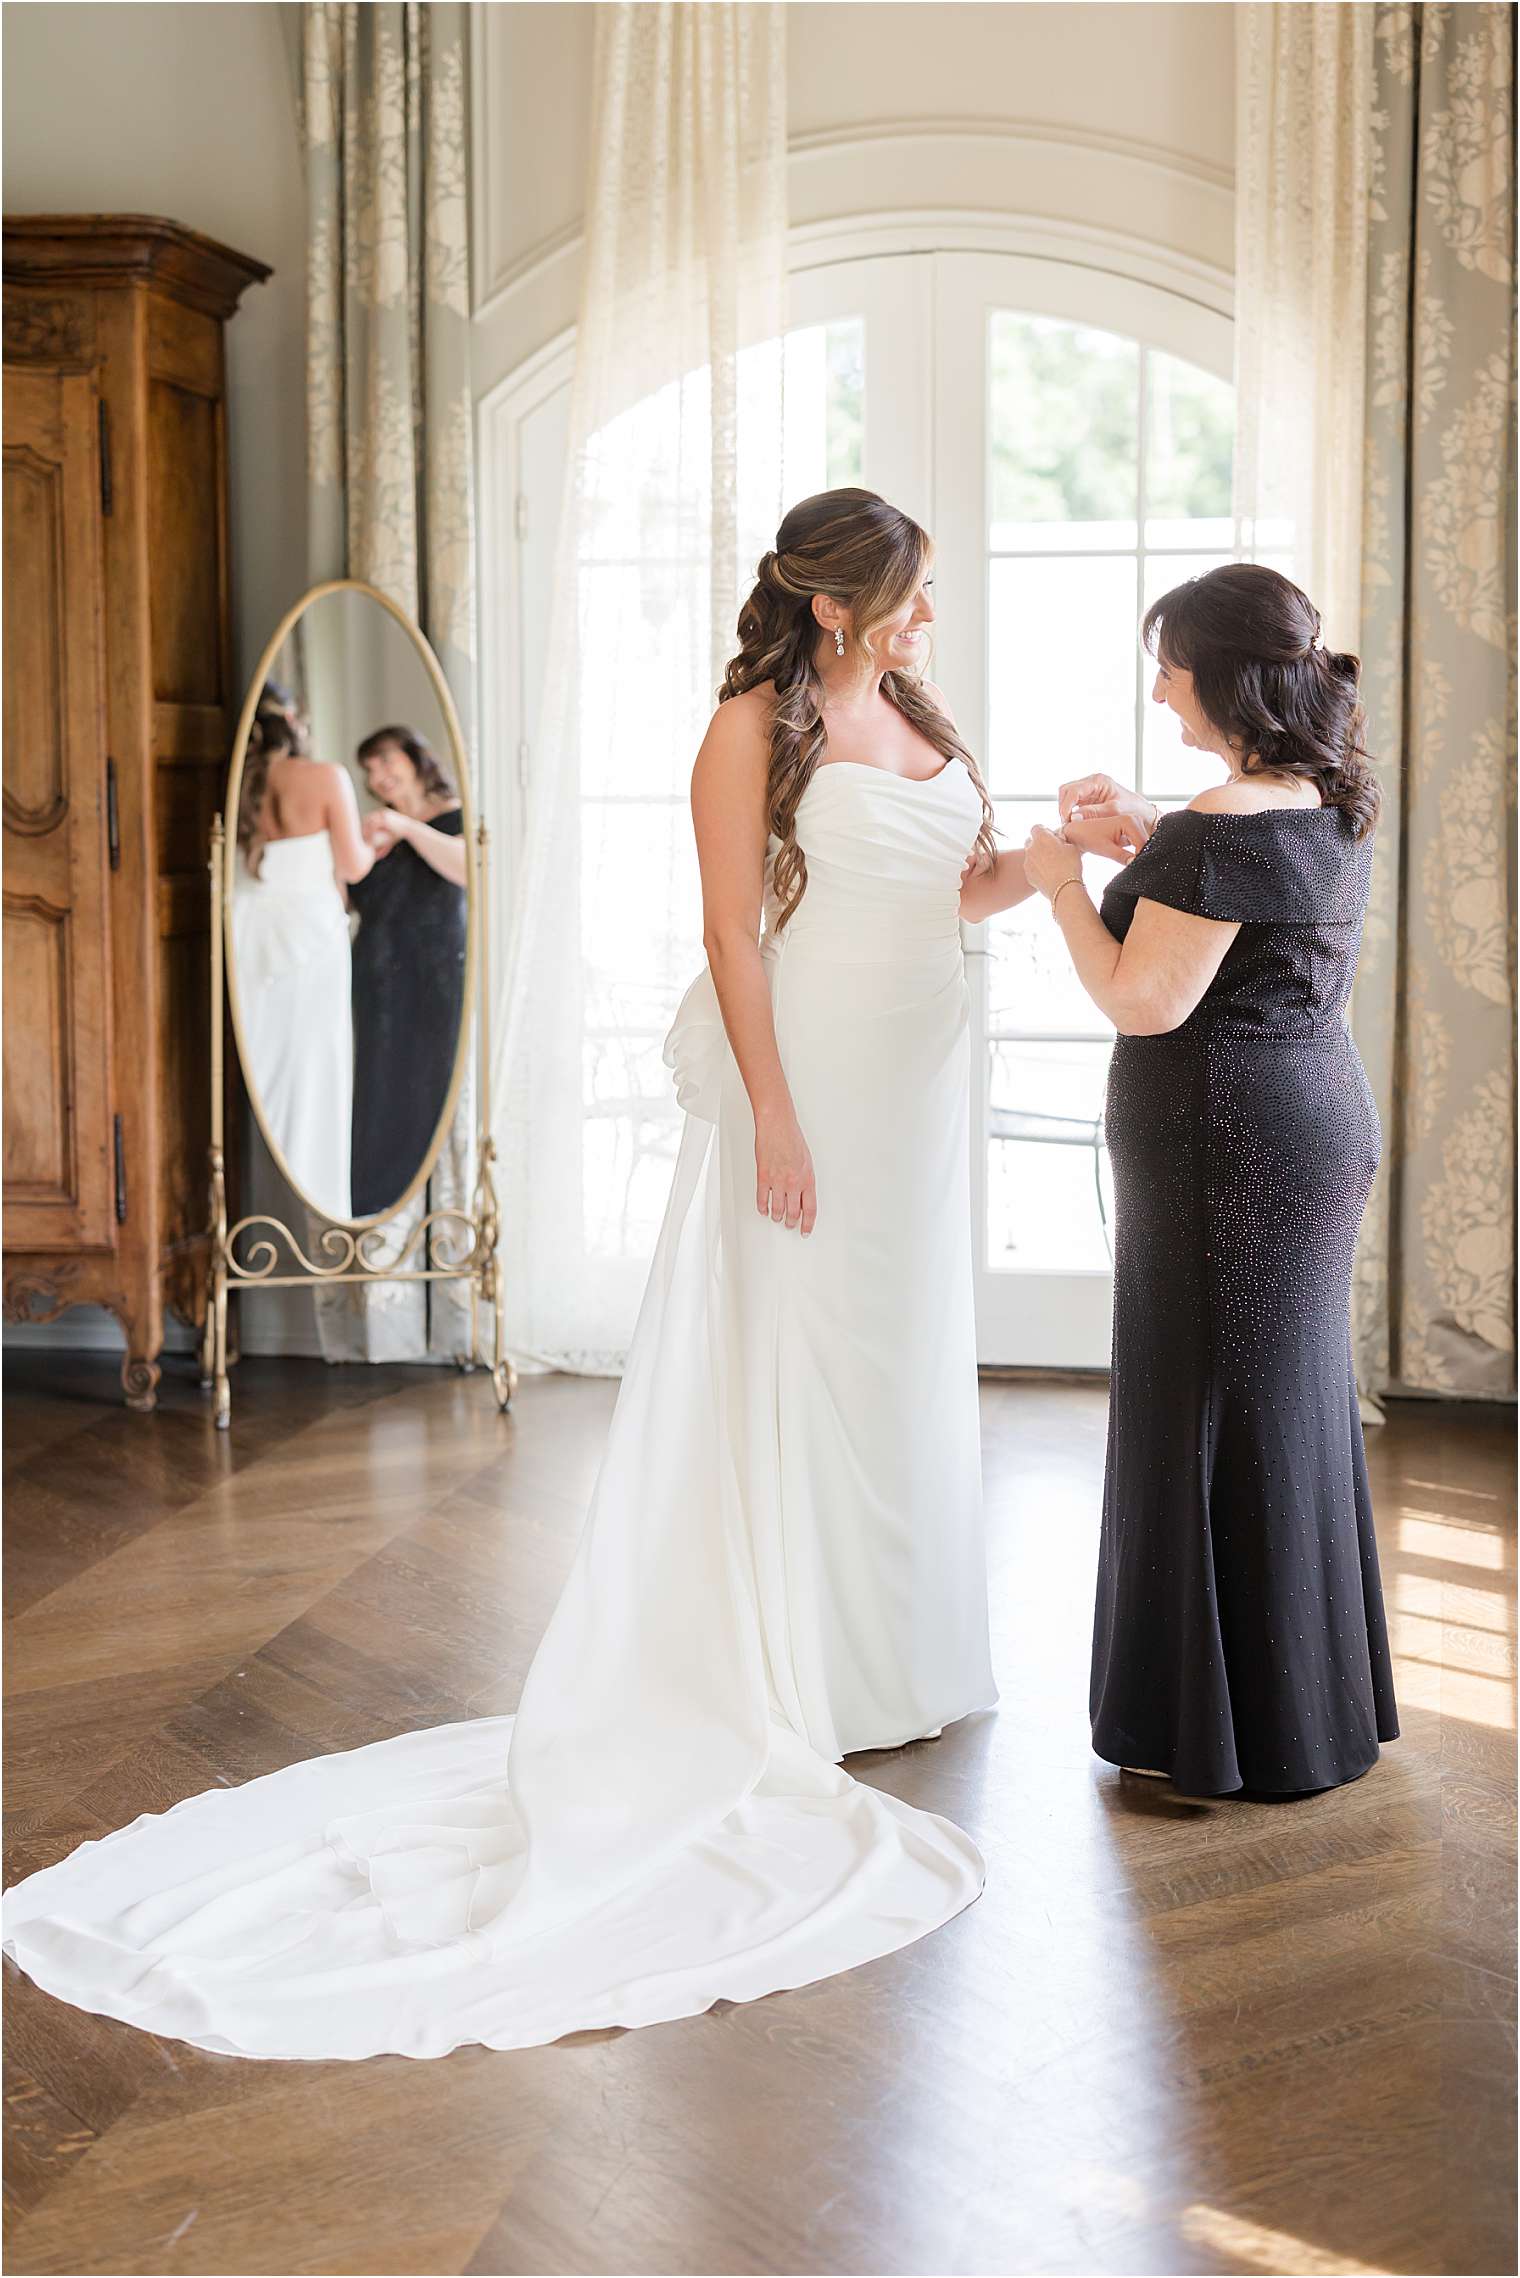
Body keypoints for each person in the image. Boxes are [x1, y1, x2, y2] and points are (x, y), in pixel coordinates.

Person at [1, 488, 1094, 2062]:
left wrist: (1053, 856)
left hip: (920, 1079)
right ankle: (794, 1670)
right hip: (817, 1080)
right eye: (914, 595)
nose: (937, 616)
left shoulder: (915, 704)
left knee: (899, 1353)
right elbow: (731, 934)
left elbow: (959, 882)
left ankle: (896, 1650)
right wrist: (773, 1113)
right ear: (840, 606)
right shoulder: (746, 728)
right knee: (802, 1357)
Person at [1022, 562, 1399, 1798]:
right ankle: (1302, 1712)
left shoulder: (1220, 820)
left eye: (1169, 669)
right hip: (1307, 1115)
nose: (1155, 689)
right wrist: (1149, 829)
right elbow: (1234, 889)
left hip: (1223, 1141)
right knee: (1278, 1400)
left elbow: (1143, 999)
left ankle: (1215, 1732)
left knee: (1202, 1404)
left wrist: (1059, 886)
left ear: (1223, 676)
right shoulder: (1316, 795)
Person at [229, 685, 373, 1223]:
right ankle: (320, 1203)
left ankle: (267, 1207)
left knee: (262, 1061)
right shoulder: (325, 777)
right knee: (317, 1065)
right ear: (293, 720)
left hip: (249, 929)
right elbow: (354, 865)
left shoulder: (239, 784)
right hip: (310, 938)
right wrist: (377, 841)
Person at [346, 726, 469, 1217]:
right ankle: (377, 1213)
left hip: (435, 974)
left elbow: (469, 870)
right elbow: (352, 900)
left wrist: (408, 830)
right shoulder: (375, 831)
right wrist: (358, 852)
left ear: (414, 758)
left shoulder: (456, 815)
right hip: (377, 980)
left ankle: (431, 1211)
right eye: (369, 770)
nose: (378, 776)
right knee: (378, 1091)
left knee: (428, 1086)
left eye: (384, 761)